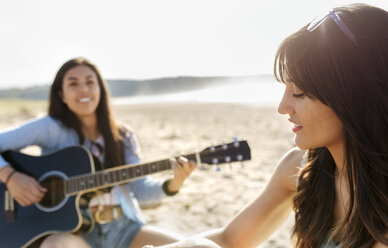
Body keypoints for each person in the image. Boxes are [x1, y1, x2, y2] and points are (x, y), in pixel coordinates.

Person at [148, 3, 388, 248]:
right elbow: (231, 239)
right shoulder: (301, 169)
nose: (283, 107)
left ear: (355, 94)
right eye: (285, 88)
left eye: (299, 92)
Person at [0, 57, 197, 248]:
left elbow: (140, 191)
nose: (83, 89)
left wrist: (174, 183)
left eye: (90, 82)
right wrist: (11, 177)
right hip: (75, 234)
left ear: (100, 89)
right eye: (73, 84)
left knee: (195, 245)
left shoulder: (123, 136)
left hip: (125, 229)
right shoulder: (49, 128)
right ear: (62, 95)